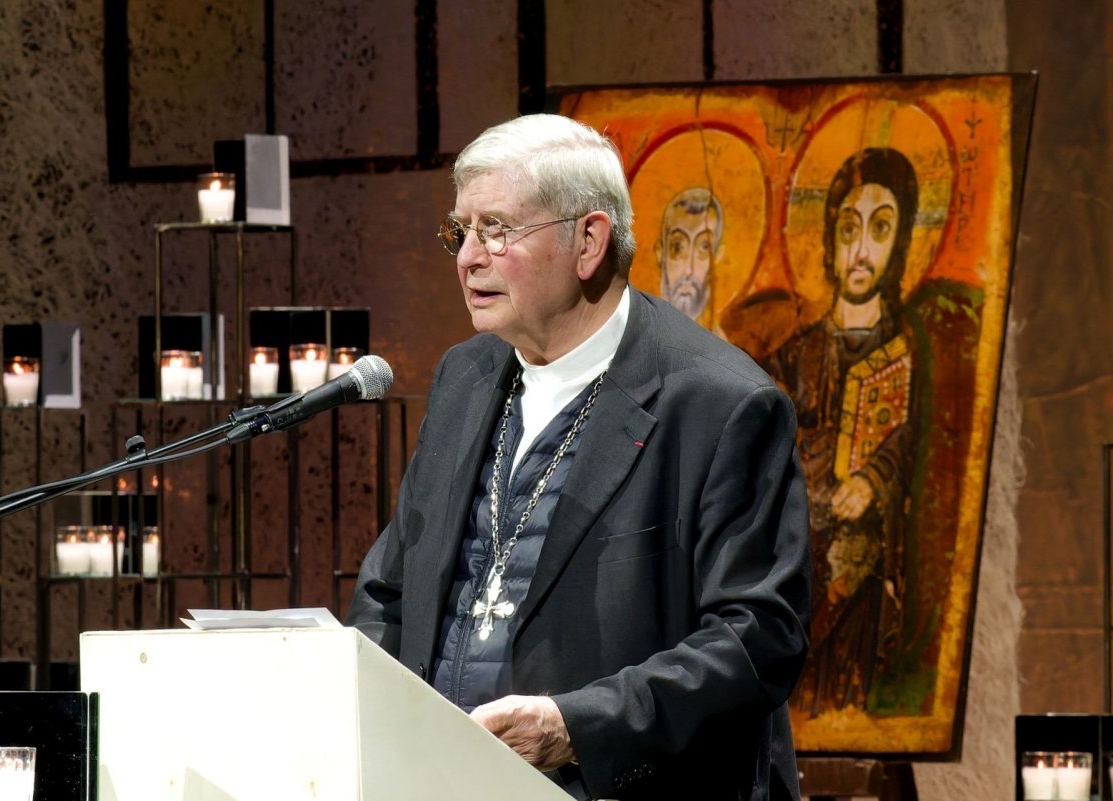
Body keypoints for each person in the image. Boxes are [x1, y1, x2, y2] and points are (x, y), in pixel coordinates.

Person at [346, 113, 811, 800]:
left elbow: (757, 637)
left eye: (496, 229)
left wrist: (576, 725)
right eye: (461, 230)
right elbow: (391, 589)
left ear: (588, 240)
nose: (468, 257)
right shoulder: (464, 378)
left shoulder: (719, 404)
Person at [765, 147, 919, 718]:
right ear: (829, 239)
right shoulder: (792, 358)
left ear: (899, 242)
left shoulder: (907, 353)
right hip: (799, 578)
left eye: (880, 229)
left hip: (865, 585)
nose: (860, 250)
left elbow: (910, 450)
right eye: (848, 228)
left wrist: (877, 480)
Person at [656, 186, 724, 333]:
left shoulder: (722, 348)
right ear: (660, 253)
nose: (688, 271)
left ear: (716, 257)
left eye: (704, 247)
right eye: (678, 247)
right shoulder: (639, 333)